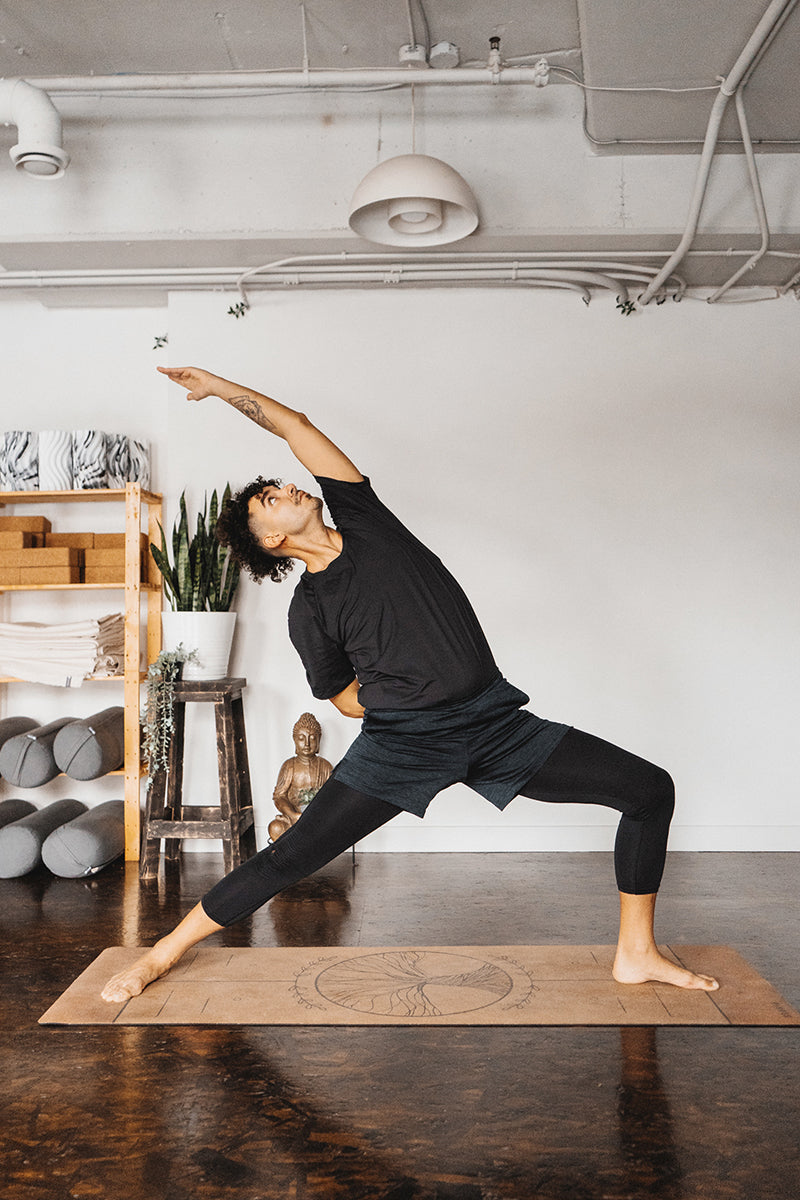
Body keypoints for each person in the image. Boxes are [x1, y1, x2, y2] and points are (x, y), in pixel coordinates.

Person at [101, 366, 718, 1003]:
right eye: (272, 499)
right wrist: (407, 694)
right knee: (289, 859)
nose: (287, 487)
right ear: (274, 538)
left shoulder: (368, 524)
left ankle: (636, 953)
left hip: (496, 725)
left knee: (648, 790)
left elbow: (297, 429)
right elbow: (342, 698)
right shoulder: (308, 611)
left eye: (281, 485)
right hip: (403, 745)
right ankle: (161, 954)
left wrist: (223, 389)